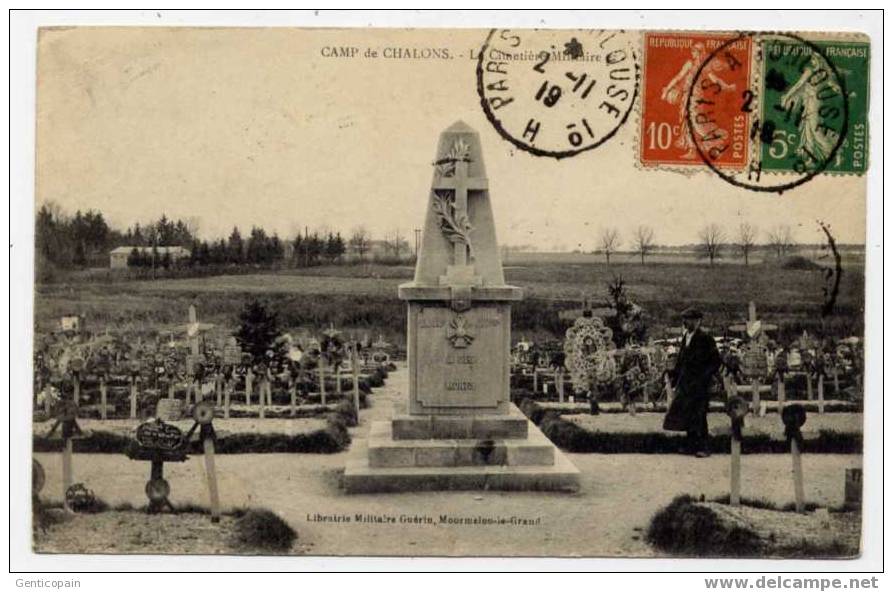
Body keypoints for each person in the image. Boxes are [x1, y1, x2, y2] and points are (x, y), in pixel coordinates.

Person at [663, 307, 722, 457]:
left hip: (700, 385)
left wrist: (704, 378)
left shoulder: (705, 338)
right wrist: (674, 376)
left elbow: (715, 361)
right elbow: (681, 361)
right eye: (685, 319)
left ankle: (704, 448)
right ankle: (691, 446)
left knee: (700, 415)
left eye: (688, 319)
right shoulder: (686, 337)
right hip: (686, 383)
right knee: (688, 414)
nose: (685, 322)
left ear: (697, 321)